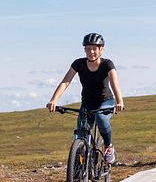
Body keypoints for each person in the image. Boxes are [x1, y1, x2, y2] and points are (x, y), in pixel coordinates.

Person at [47, 33, 124, 164]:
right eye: (88, 48)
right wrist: (54, 100)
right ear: (84, 50)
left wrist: (119, 101)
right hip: (87, 103)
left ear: (101, 50)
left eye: (94, 48)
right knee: (81, 134)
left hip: (105, 102)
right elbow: (66, 81)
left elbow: (114, 83)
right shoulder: (79, 63)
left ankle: (108, 147)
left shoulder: (107, 64)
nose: (91, 52)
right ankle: (77, 175)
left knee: (101, 118)